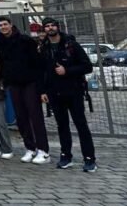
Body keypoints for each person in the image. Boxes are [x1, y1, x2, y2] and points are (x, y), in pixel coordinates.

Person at [39, 17, 97, 172]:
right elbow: (43, 71)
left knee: (81, 124)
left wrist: (67, 71)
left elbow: (87, 66)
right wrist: (43, 91)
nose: (50, 28)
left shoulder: (71, 45)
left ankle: (89, 158)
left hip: (73, 90)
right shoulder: (44, 47)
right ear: (44, 29)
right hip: (54, 92)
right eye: (47, 26)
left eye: (52, 25)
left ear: (58, 27)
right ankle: (66, 156)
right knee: (62, 125)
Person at [0, 16, 50, 164]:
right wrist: (3, 80)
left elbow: (37, 63)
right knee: (21, 117)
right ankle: (30, 148)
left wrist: (41, 87)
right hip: (13, 83)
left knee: (35, 115)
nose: (3, 27)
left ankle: (43, 150)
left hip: (30, 82)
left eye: (5, 24)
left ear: (11, 25)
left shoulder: (25, 40)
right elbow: (1, 63)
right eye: (0, 25)